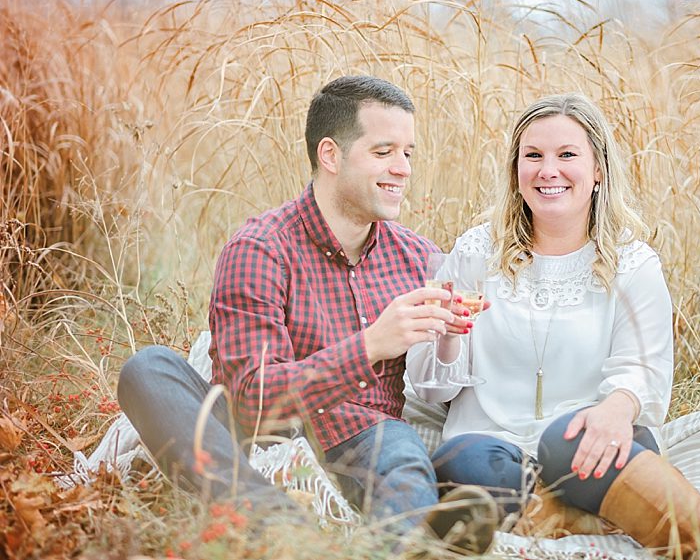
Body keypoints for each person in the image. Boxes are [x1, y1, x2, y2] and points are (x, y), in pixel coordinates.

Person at [117, 75, 498, 556]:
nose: (402, 169)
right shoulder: (261, 247)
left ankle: (408, 542)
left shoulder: (418, 257)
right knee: (147, 369)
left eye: (408, 153)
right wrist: (370, 346)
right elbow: (251, 401)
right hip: (254, 430)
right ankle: (274, 519)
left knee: (403, 461)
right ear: (330, 155)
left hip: (366, 434)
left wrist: (455, 335)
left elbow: (440, 380)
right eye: (383, 152)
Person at [408, 93, 700, 558]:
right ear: (516, 172)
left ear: (598, 171)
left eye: (567, 155)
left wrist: (616, 408)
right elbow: (431, 391)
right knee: (461, 463)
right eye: (533, 156)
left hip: (593, 438)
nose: (547, 170)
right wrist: (449, 337)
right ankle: (579, 516)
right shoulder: (477, 253)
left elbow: (644, 367)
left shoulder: (632, 263)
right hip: (495, 448)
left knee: (565, 440)